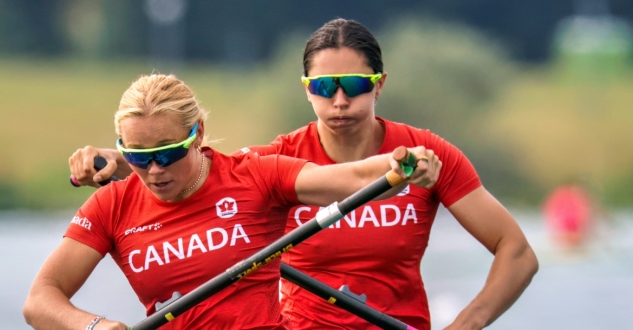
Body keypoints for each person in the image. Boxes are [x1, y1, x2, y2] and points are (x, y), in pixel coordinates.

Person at [68, 19, 539, 330]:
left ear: (380, 86)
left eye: (354, 86)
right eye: (323, 87)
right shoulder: (278, 161)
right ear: (306, 92)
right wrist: (126, 156)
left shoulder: (427, 155)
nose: (339, 101)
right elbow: (202, 168)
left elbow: (516, 252)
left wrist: (465, 326)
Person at [24, 74, 441, 330]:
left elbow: (349, 180)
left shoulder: (253, 175)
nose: (154, 171)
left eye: (168, 153)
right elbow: (41, 299)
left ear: (198, 133)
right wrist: (92, 326)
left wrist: (401, 164)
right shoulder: (111, 206)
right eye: (138, 157)